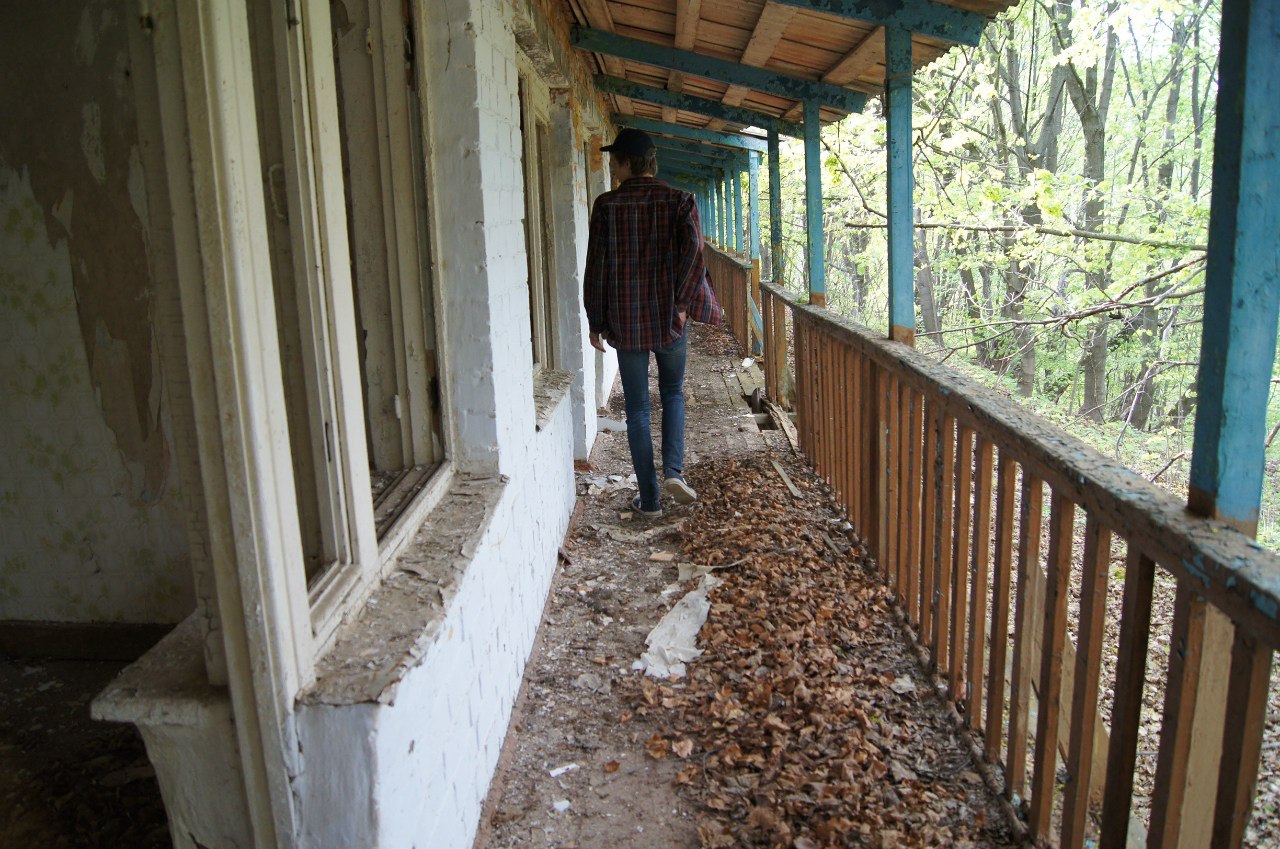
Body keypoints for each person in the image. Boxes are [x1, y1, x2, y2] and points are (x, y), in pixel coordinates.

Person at [583, 127, 721, 517]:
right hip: (669, 319)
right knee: (673, 393)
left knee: (638, 410)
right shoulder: (679, 201)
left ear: (627, 163)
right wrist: (682, 304)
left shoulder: (607, 205)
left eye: (614, 161)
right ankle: (674, 471)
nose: (612, 168)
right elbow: (695, 255)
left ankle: (650, 499)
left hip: (626, 320)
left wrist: (595, 320)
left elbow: (597, 268)